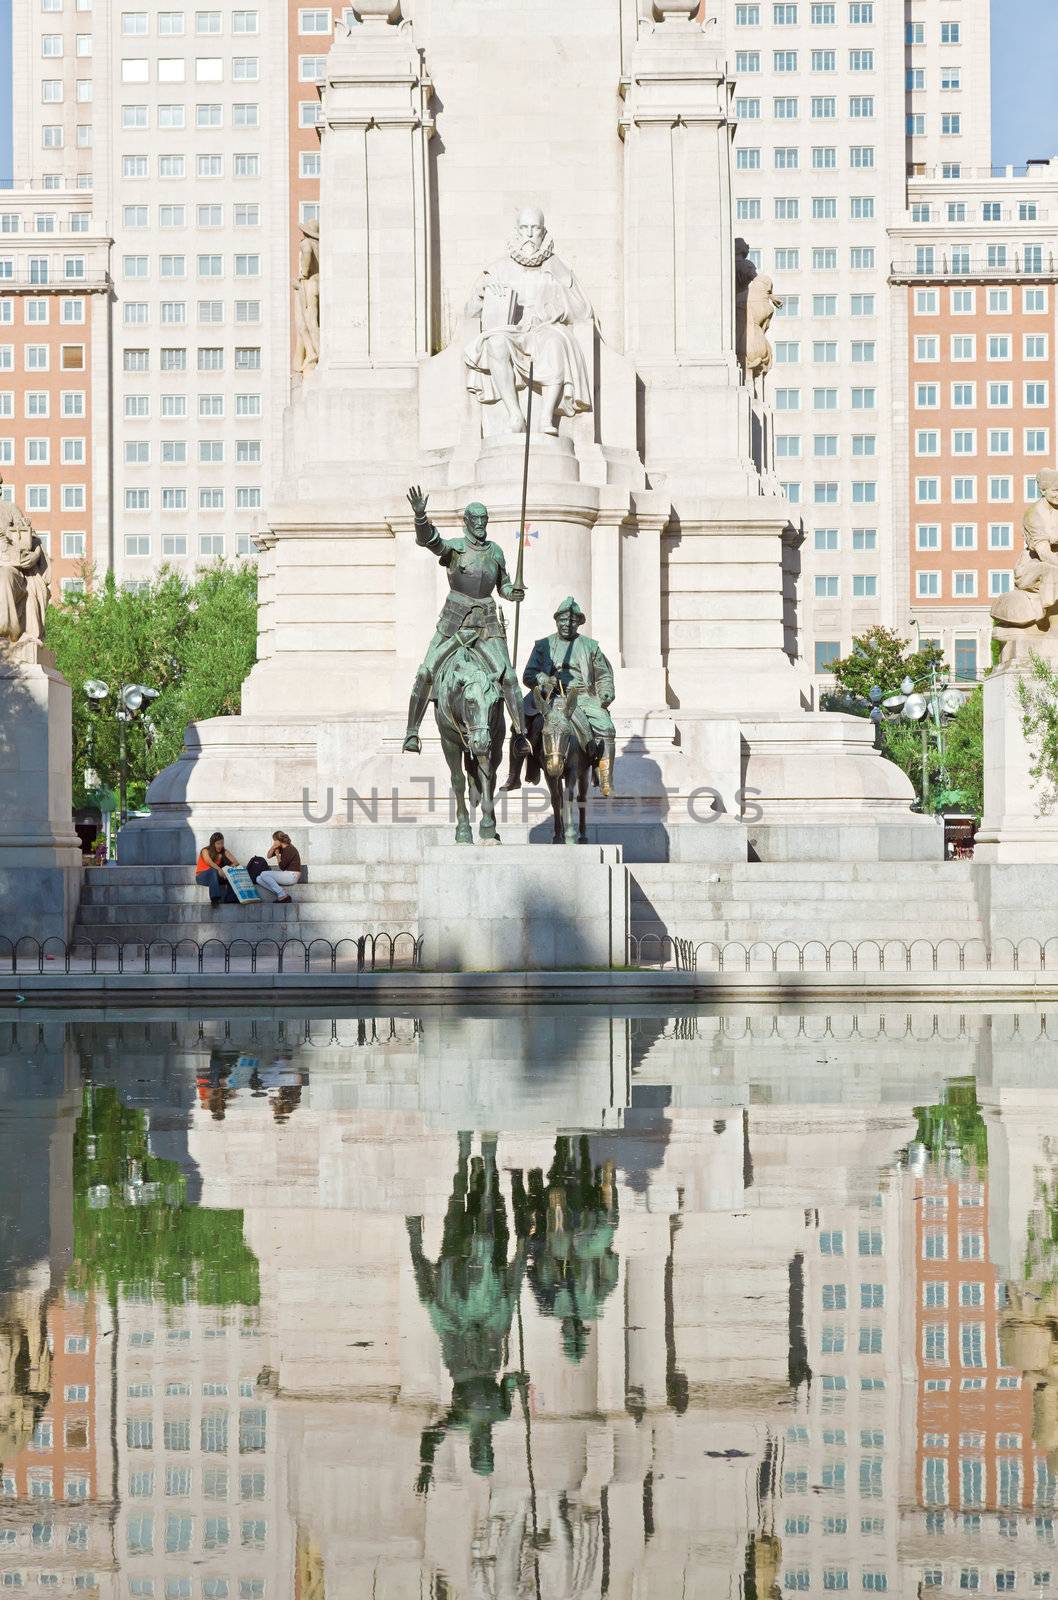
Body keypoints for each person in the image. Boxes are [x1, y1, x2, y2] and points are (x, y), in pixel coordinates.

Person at [402, 486, 531, 756]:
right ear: (467, 522)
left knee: (508, 676)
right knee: (426, 671)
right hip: (454, 622)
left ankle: (520, 735)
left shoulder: (495, 551)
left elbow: (503, 585)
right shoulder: (456, 549)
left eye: (484, 519)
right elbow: (431, 541)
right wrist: (420, 517)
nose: (481, 524)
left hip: (487, 623)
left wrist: (512, 593)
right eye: (476, 520)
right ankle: (412, 732)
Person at [257, 831, 301, 902]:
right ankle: (281, 893)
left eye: (274, 841)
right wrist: (273, 847)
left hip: (292, 876)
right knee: (259, 879)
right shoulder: (282, 848)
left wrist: (277, 854)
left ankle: (282, 894)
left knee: (263, 874)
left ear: (278, 840)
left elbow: (282, 867)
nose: (274, 842)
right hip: (287, 875)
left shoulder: (289, 849)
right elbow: (268, 856)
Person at [195, 833, 239, 905]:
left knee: (231, 872)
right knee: (213, 870)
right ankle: (215, 898)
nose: (220, 846)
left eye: (222, 843)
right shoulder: (205, 850)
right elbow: (209, 862)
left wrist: (227, 869)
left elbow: (236, 863)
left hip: (215, 877)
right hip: (202, 877)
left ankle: (231, 898)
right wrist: (219, 869)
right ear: (213, 843)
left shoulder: (224, 851)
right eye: (218, 843)